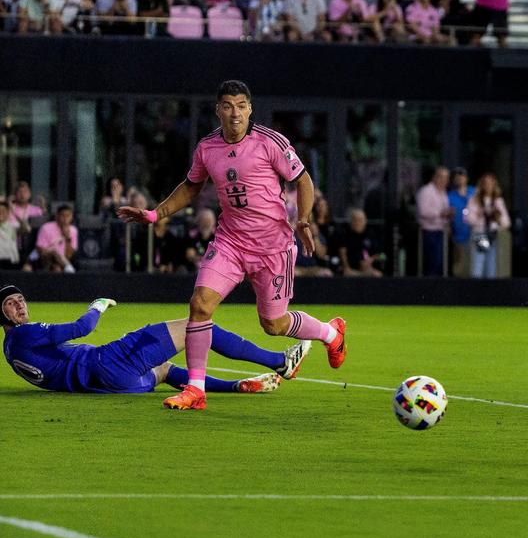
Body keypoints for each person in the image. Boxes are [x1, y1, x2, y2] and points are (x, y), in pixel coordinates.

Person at [117, 80, 346, 411]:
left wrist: (304, 221)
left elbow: (303, 180)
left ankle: (330, 333)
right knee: (200, 304)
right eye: (227, 106)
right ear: (218, 110)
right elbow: (191, 186)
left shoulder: (270, 142)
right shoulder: (207, 147)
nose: (235, 113)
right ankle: (196, 390)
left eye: (241, 106)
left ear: (250, 109)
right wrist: (155, 214)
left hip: (272, 247)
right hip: (230, 243)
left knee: (274, 324)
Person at [1, 286, 310, 395]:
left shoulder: (10, 348)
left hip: (111, 386)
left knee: (164, 370)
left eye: (20, 299)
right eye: (10, 304)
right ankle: (280, 362)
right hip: (106, 363)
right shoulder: (24, 333)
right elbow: (83, 327)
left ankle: (235, 386)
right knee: (199, 326)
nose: (20, 304)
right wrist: (98, 304)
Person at [465, 172, 511, 279]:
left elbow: (506, 223)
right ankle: (476, 286)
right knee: (479, 262)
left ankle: (490, 287)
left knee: (491, 265)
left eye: (490, 183)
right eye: (486, 183)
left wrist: (498, 217)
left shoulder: (498, 201)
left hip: (493, 235)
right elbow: (468, 218)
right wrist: (479, 215)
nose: (488, 186)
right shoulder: (475, 200)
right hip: (481, 234)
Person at [416, 166, 452, 277]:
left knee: (440, 263)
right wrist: (441, 214)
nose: (444, 180)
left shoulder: (443, 193)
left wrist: (448, 215)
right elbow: (423, 211)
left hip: (441, 231)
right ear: (434, 177)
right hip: (429, 231)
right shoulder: (426, 191)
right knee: (432, 263)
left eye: (446, 178)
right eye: (441, 177)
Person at [447, 167, 475, 277]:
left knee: (476, 262)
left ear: (466, 178)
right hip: (458, 235)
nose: (460, 179)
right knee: (459, 264)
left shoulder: (474, 192)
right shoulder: (450, 195)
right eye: (457, 177)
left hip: (476, 233)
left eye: (462, 176)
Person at [35, 204, 78, 273]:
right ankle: (69, 269)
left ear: (72, 217)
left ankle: (68, 268)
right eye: (62, 215)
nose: (65, 219)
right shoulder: (46, 227)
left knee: (57, 268)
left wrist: (67, 238)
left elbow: (69, 255)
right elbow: (40, 249)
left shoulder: (73, 230)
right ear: (57, 216)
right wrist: (53, 254)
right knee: (54, 253)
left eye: (68, 216)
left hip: (63, 260)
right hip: (46, 258)